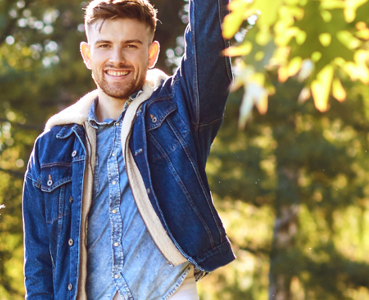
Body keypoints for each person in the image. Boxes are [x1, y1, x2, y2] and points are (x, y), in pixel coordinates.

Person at [19, 0, 233, 298]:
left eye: (131, 46)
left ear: (152, 53)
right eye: (104, 45)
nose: (116, 58)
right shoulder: (52, 146)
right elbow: (39, 264)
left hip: (167, 291)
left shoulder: (178, 112)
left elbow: (209, 45)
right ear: (87, 53)